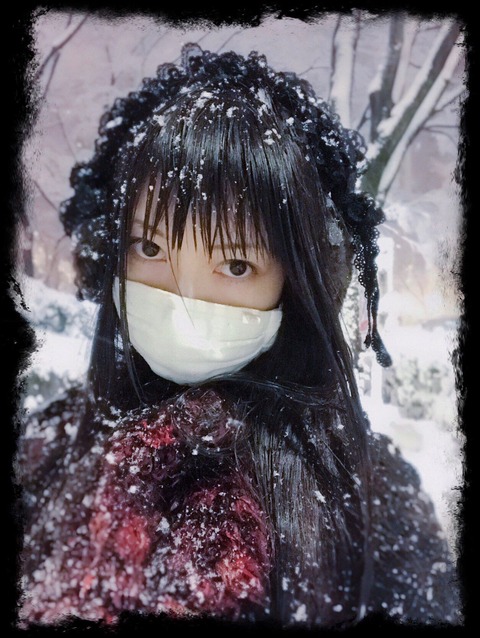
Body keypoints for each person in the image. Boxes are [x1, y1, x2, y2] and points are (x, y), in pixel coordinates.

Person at [16, 43, 461, 629]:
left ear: (295, 283)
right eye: (148, 247)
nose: (183, 300)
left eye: (235, 264)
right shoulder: (46, 449)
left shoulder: (368, 497)